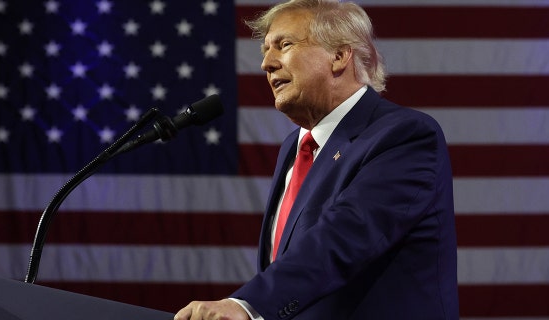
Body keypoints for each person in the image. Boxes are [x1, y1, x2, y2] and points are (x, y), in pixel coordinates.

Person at [174, 0, 459, 319]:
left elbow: (344, 235)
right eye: (265, 51)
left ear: (339, 56)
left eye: (284, 45)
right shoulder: (293, 148)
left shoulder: (404, 135)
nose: (266, 63)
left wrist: (249, 304)